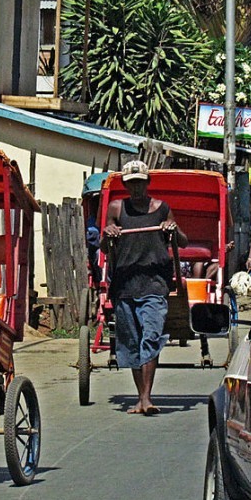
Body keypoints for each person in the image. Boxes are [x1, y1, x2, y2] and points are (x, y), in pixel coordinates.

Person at [100, 160, 188, 415]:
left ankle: (147, 397)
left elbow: (182, 241)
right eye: (131, 184)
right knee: (132, 341)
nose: (136, 188)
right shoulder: (117, 208)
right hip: (125, 284)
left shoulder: (162, 209)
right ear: (126, 186)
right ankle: (141, 397)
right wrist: (109, 233)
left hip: (154, 282)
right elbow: (105, 248)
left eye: (140, 183)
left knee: (151, 335)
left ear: (147, 183)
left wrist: (172, 229)